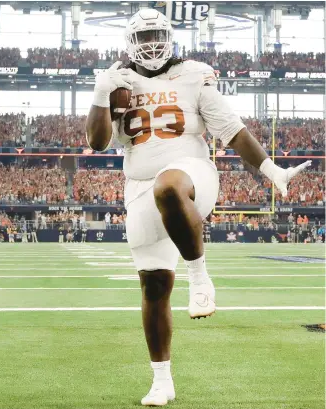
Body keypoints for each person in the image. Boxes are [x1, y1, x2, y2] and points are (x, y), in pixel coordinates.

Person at [86, 8, 311, 407]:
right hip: (137, 186)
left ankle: (200, 275)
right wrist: (101, 96)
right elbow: (98, 142)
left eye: (157, 32)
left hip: (192, 175)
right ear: (129, 42)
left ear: (170, 35)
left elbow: (231, 129)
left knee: (169, 185)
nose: (151, 42)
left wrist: (270, 169)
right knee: (154, 286)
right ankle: (162, 380)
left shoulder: (194, 73)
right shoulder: (117, 80)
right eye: (144, 35)